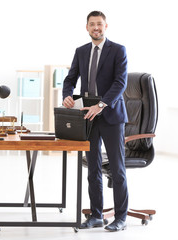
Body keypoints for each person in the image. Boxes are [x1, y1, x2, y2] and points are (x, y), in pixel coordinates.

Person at [62, 11, 129, 232]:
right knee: (92, 169)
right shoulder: (81, 51)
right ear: (87, 27)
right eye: (92, 24)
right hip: (88, 117)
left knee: (117, 170)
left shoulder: (118, 50)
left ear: (106, 26)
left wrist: (101, 105)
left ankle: (121, 218)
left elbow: (120, 83)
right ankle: (96, 215)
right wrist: (67, 94)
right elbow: (70, 78)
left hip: (110, 115)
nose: (96, 28)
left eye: (99, 24)